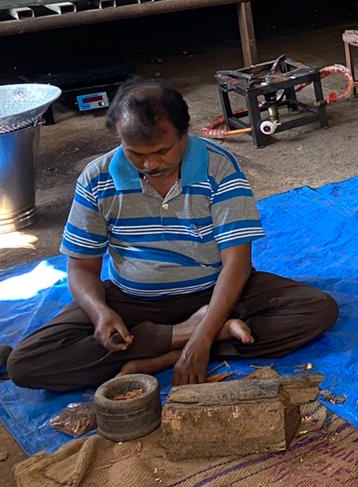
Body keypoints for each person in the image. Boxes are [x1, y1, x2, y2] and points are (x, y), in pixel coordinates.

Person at [6, 79, 338, 392]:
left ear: (185, 134)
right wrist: (101, 314)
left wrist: (204, 336)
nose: (150, 164)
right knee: (27, 364)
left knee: (316, 310)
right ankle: (193, 336)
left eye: (162, 151)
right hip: (133, 300)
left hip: (214, 292)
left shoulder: (217, 167)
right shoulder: (98, 178)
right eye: (136, 153)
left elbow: (236, 263)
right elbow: (81, 267)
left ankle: (167, 351)